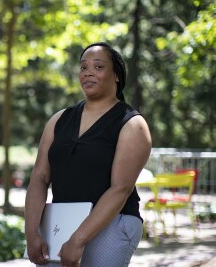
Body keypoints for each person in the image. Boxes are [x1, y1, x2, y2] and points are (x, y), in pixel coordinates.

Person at [24, 42, 152, 267]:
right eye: (83, 67)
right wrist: (32, 232)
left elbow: (120, 189)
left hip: (113, 221)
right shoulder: (58, 120)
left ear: (116, 76)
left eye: (99, 66)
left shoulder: (132, 124)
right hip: (61, 223)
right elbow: (39, 177)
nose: (88, 72)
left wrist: (78, 239)